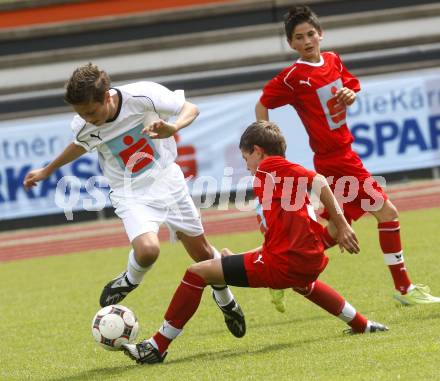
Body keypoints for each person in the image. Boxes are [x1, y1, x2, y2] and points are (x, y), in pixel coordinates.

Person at [122, 121, 388, 364]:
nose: (245, 163)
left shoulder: (270, 167)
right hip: (304, 258)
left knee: (196, 273)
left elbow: (317, 180)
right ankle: (362, 324)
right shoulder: (280, 182)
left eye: (245, 156)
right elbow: (280, 238)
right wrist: (231, 259)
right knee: (300, 282)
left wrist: (340, 224)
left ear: (258, 151)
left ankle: (156, 347)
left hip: (285, 262)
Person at [23, 63, 245, 338]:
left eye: (91, 112)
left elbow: (191, 109)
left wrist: (172, 127)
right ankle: (129, 280)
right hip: (129, 192)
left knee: (202, 254)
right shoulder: (84, 124)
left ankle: (227, 301)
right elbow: (80, 144)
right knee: (148, 251)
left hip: (167, 180)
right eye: (81, 114)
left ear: (106, 97)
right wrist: (47, 170)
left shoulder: (141, 96)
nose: (87, 119)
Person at [255, 5, 440, 311]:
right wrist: (268, 147)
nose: (307, 40)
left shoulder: (333, 60)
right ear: (291, 44)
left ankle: (282, 275)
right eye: (299, 37)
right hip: (336, 160)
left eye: (311, 34)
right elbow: (262, 104)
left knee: (329, 231)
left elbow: (350, 85)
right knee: (388, 213)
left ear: (321, 34)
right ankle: (404, 289)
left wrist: (351, 94)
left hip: (344, 154)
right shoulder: (293, 77)